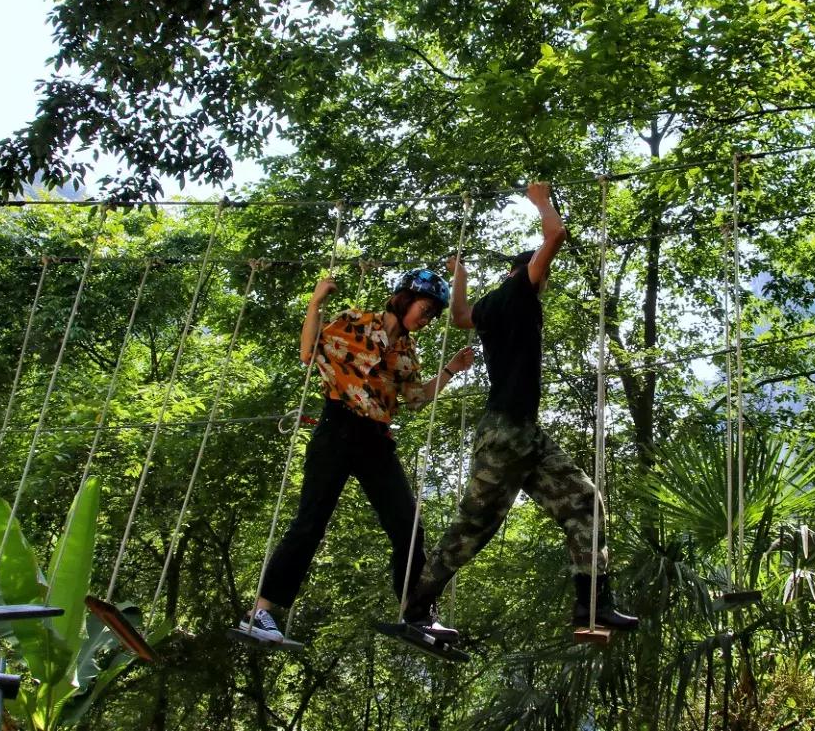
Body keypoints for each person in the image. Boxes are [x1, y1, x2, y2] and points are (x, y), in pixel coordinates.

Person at [405, 183, 638, 633]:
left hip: (523, 434)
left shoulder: (490, 307)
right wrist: (540, 201)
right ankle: (416, 606)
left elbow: (457, 317)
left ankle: (592, 604)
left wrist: (461, 276)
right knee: (476, 524)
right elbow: (555, 236)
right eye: (540, 275)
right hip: (506, 433)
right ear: (524, 273)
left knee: (584, 501)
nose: (544, 283)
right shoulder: (518, 292)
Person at [239, 268, 474, 644]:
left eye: (432, 314)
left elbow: (416, 399)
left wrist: (450, 370)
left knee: (408, 526)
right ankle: (261, 612)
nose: (426, 319)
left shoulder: (406, 353)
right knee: (311, 522)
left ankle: (416, 615)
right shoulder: (355, 322)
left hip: (376, 440)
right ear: (404, 298)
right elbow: (308, 351)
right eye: (424, 308)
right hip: (337, 427)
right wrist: (316, 302)